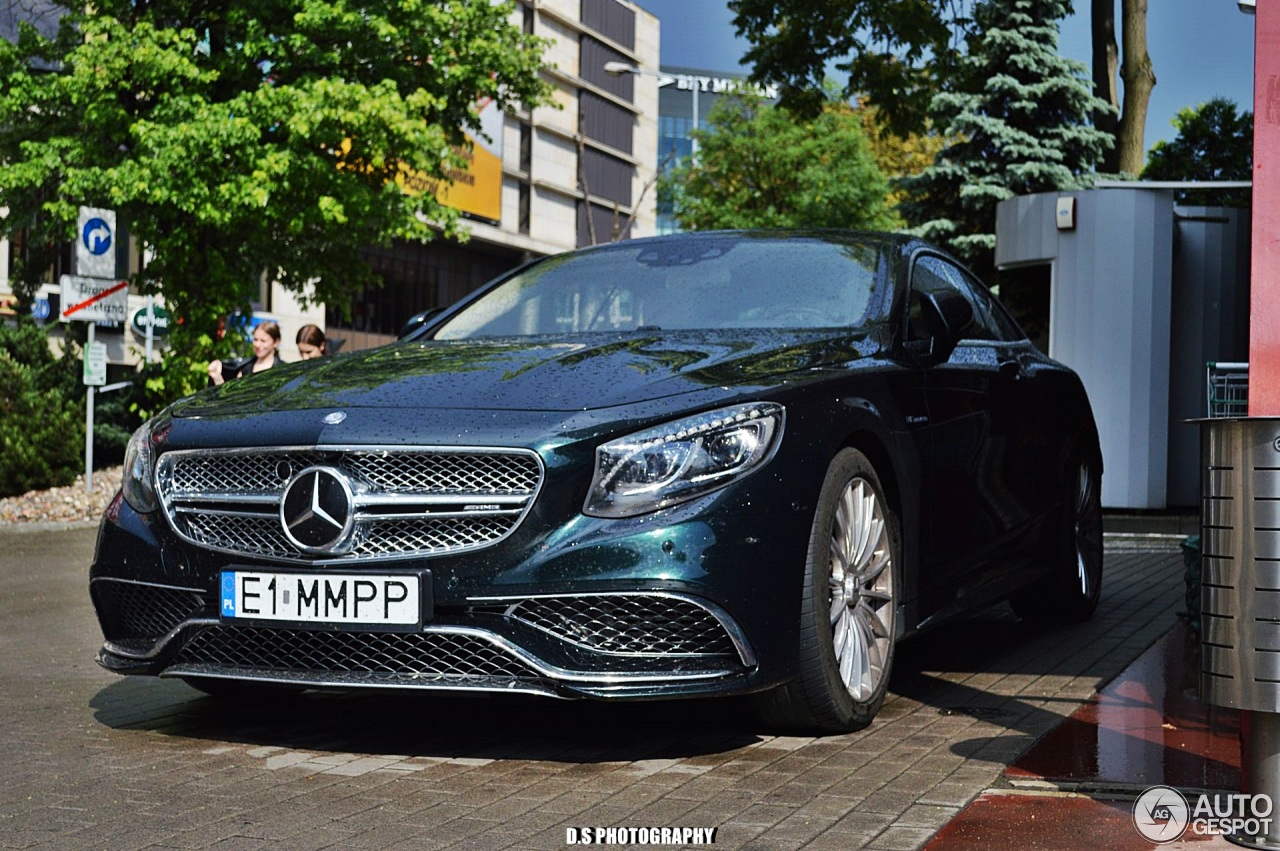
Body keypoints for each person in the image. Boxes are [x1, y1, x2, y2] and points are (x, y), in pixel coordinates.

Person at [207, 321, 283, 385]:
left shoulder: (282, 370)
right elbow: (233, 396)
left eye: (263, 341)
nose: (257, 345)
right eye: (255, 340)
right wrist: (217, 377)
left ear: (276, 342)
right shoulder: (246, 367)